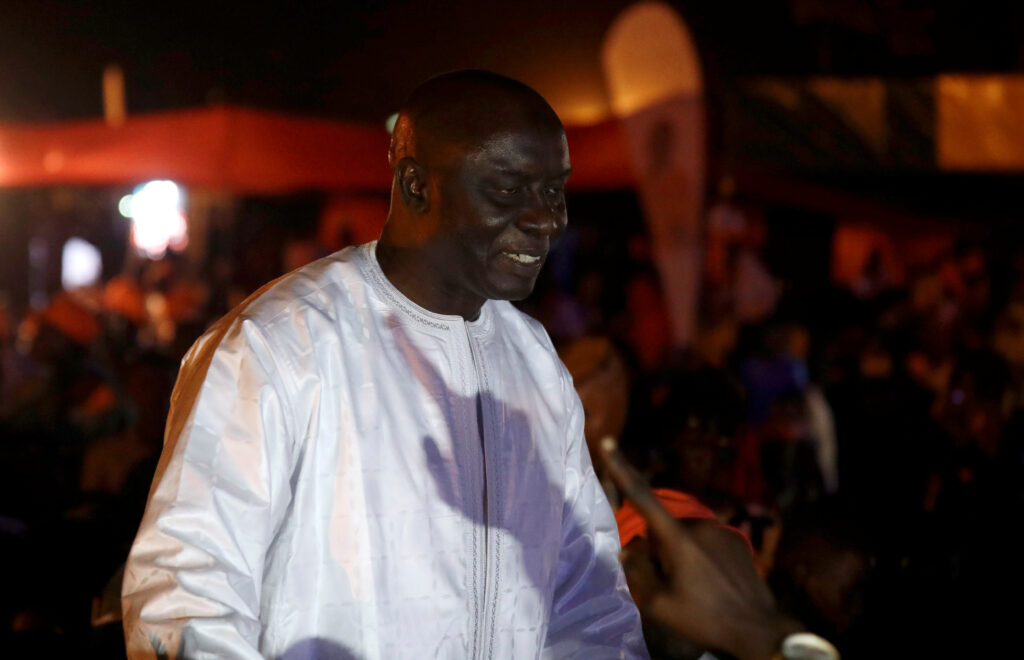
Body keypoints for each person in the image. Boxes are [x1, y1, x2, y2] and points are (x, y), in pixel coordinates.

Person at [121, 71, 646, 659]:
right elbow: (182, 599)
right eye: (507, 190)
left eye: (554, 191)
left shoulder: (536, 363)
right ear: (416, 186)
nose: (546, 219)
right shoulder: (275, 345)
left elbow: (589, 601)